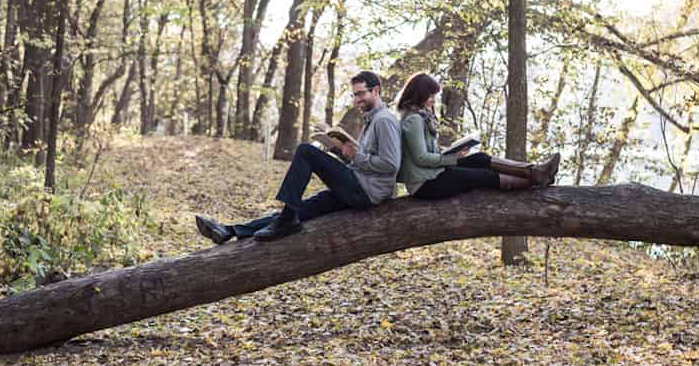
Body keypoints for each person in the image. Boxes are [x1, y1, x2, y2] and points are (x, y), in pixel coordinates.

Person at [195, 70, 401, 243]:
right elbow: (364, 160)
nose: (356, 100)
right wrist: (340, 150)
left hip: (366, 192)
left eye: (361, 94)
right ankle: (230, 231)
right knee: (296, 210)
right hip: (359, 185)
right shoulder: (371, 121)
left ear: (376, 90)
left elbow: (391, 165)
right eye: (354, 95)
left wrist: (357, 156)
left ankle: (285, 222)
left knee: (306, 151)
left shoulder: (384, 120)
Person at [397, 72, 560, 199]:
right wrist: (452, 158)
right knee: (482, 176)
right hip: (425, 184)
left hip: (433, 173)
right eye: (430, 95)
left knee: (480, 158)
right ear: (419, 94)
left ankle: (535, 171)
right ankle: (533, 181)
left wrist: (452, 152)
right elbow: (421, 158)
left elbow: (427, 153)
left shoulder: (422, 116)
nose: (433, 100)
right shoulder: (414, 120)